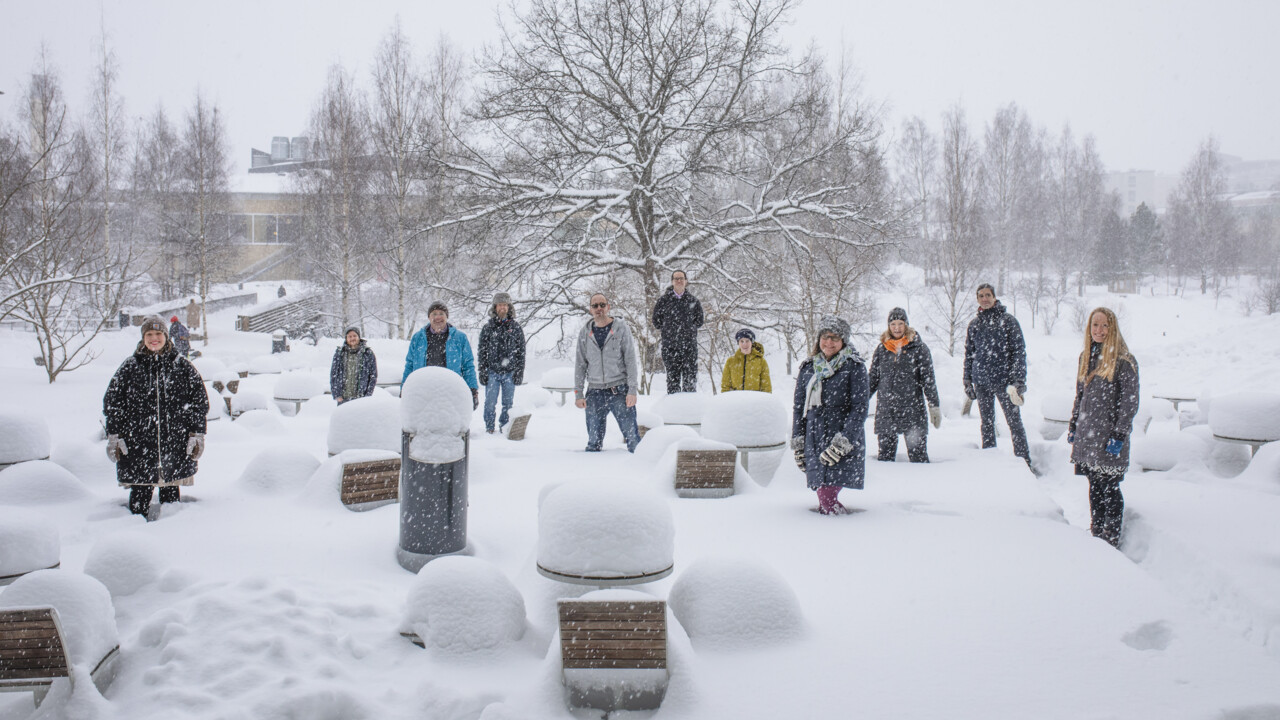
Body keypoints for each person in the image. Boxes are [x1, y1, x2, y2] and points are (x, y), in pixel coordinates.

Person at [103, 315, 208, 517]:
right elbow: (113, 403)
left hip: (173, 444)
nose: (154, 338)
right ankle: (135, 537)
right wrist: (114, 434)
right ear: (143, 337)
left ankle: (173, 537)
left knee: (171, 500)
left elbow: (199, 402)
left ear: (166, 336)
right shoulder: (130, 367)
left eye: (158, 334)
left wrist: (197, 433)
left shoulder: (182, 366)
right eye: (149, 334)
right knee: (140, 495)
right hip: (138, 446)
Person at [1068, 307, 1139, 548]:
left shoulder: (1124, 361)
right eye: (1095, 325)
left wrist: (1119, 433)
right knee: (1094, 484)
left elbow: (1129, 402)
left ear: (1113, 329)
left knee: (1109, 485)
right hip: (1088, 433)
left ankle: (1111, 536)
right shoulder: (1084, 357)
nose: (1099, 330)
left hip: (1109, 434)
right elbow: (1080, 395)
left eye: (1105, 325)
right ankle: (1097, 531)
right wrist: (1074, 424)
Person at [791, 316, 869, 515]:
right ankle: (828, 532)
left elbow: (859, 408)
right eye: (825, 337)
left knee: (827, 493)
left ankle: (835, 534)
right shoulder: (809, 367)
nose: (829, 342)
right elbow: (799, 408)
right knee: (822, 490)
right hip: (814, 437)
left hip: (841, 436)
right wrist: (798, 441)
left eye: (835, 338)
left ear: (844, 341)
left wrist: (843, 442)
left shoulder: (854, 366)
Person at [963, 283, 1031, 466]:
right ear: (977, 299)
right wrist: (967, 380)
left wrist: (1018, 380)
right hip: (982, 382)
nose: (985, 299)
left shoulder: (1008, 321)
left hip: (1006, 382)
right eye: (981, 296)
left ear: (994, 297)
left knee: (1014, 423)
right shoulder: (975, 324)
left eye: (988, 295)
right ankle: (990, 462)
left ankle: (1024, 462)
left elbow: (1019, 351)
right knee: (987, 423)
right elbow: (969, 354)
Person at [869, 307, 941, 463]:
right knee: (885, 460)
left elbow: (928, 379)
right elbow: (873, 379)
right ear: (888, 326)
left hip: (912, 410)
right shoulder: (882, 349)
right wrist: (860, 401)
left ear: (906, 325)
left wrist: (934, 405)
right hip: (887, 410)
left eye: (900, 323)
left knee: (918, 458)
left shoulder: (919, 348)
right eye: (893, 324)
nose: (896, 328)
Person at [574, 293, 641, 452]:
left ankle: (639, 471)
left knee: (634, 442)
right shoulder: (585, 333)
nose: (599, 309)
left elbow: (630, 360)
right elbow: (580, 365)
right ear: (590, 309)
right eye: (595, 306)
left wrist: (632, 390)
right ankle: (594, 473)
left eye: (602, 305)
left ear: (608, 307)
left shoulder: (621, 328)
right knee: (593, 444)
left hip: (619, 390)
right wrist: (578, 393)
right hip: (594, 393)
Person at [403, 301, 479, 408]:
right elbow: (410, 365)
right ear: (429, 317)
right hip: (423, 389)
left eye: (441, 314)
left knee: (450, 422)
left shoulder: (460, 338)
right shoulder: (418, 338)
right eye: (434, 314)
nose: (438, 317)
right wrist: (404, 388)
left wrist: (473, 390)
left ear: (446, 316)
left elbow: (467, 366)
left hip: (450, 390)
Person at [477, 292, 526, 434]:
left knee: (508, 404)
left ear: (509, 307)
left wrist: (519, 371)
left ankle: (504, 426)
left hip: (510, 373)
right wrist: (482, 370)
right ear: (495, 307)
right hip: (492, 372)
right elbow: (482, 351)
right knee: (490, 403)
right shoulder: (488, 328)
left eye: (505, 305)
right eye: (500, 305)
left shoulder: (516, 328)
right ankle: (489, 427)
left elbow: (521, 352)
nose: (503, 308)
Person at [651, 270, 704, 394]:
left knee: (690, 383)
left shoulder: (693, 301)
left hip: (689, 348)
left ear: (686, 281)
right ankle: (673, 412)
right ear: (672, 281)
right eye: (676, 278)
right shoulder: (663, 301)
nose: (679, 281)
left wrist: (687, 330)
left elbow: (699, 321)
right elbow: (656, 322)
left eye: (681, 278)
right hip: (670, 348)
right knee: (672, 384)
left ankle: (690, 412)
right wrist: (670, 330)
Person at [330, 327, 378, 405]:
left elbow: (373, 376)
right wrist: (337, 394)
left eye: (354, 336)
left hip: (361, 398)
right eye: (350, 336)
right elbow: (334, 375)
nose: (352, 338)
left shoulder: (367, 353)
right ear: (346, 338)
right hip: (343, 398)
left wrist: (368, 395)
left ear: (359, 337)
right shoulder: (340, 353)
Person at [720, 328, 771, 393]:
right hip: (735, 401)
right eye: (742, 341)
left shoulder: (761, 361)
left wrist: (764, 401)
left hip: (755, 401)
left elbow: (766, 387)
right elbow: (725, 386)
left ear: (752, 342)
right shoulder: (731, 361)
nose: (745, 344)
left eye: (747, 341)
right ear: (738, 342)